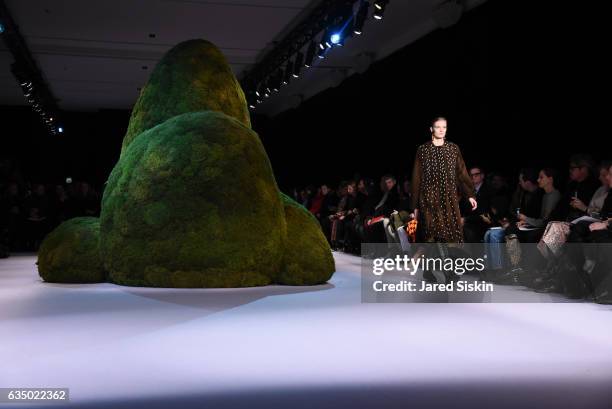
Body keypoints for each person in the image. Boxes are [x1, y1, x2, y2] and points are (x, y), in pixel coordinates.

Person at [410, 117, 477, 243]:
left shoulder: (453, 149)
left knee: (451, 234)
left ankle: (450, 261)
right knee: (431, 234)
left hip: (449, 199)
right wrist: (414, 205)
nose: (441, 130)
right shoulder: (423, 150)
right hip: (429, 199)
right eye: (438, 127)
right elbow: (416, 177)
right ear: (431, 129)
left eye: (444, 127)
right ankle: (432, 261)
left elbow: (461, 173)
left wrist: (470, 195)